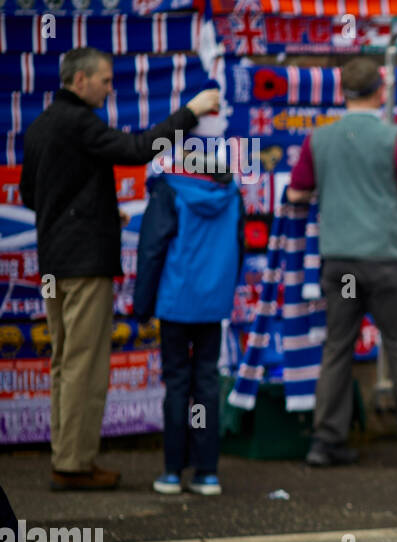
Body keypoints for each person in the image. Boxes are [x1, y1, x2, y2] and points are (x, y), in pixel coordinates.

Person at [20, 47, 221, 491]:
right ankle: (74, 464)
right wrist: (190, 111)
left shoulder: (40, 126)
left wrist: (97, 216)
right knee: (85, 365)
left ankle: (66, 455)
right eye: (105, 80)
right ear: (79, 82)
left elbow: (32, 195)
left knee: (63, 362)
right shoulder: (80, 122)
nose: (111, 89)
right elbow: (138, 150)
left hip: (53, 261)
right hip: (84, 263)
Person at [286, 56, 397, 468]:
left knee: (337, 347)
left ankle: (324, 441)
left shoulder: (318, 140)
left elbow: (298, 194)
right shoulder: (395, 139)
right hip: (383, 259)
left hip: (338, 261)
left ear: (342, 93)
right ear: (381, 91)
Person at [133, 154, 244, 496]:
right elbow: (239, 248)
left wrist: (142, 305)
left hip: (175, 302)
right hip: (213, 304)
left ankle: (171, 471)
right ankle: (207, 472)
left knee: (178, 384)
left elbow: (151, 249)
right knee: (207, 384)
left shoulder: (169, 192)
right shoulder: (232, 194)